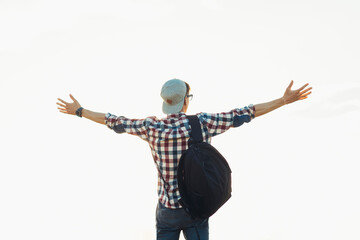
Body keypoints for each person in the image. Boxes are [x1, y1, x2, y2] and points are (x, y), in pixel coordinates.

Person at [56, 79, 312, 240]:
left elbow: (113, 121)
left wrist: (79, 111)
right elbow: (245, 114)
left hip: (167, 211)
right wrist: (283, 100)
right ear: (186, 102)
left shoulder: (150, 127)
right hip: (196, 210)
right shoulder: (201, 123)